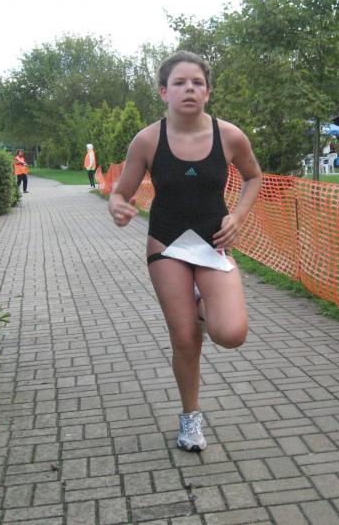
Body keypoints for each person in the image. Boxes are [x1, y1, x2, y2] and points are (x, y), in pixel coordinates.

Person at [108, 51, 262, 452]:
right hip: (167, 245)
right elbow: (121, 192)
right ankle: (190, 417)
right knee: (185, 340)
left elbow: (254, 177)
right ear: (164, 92)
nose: (189, 89)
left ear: (208, 92)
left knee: (231, 334)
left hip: (213, 245)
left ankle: (201, 305)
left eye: (197, 83)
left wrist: (237, 217)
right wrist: (117, 206)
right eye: (179, 83)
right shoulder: (147, 140)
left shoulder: (230, 136)